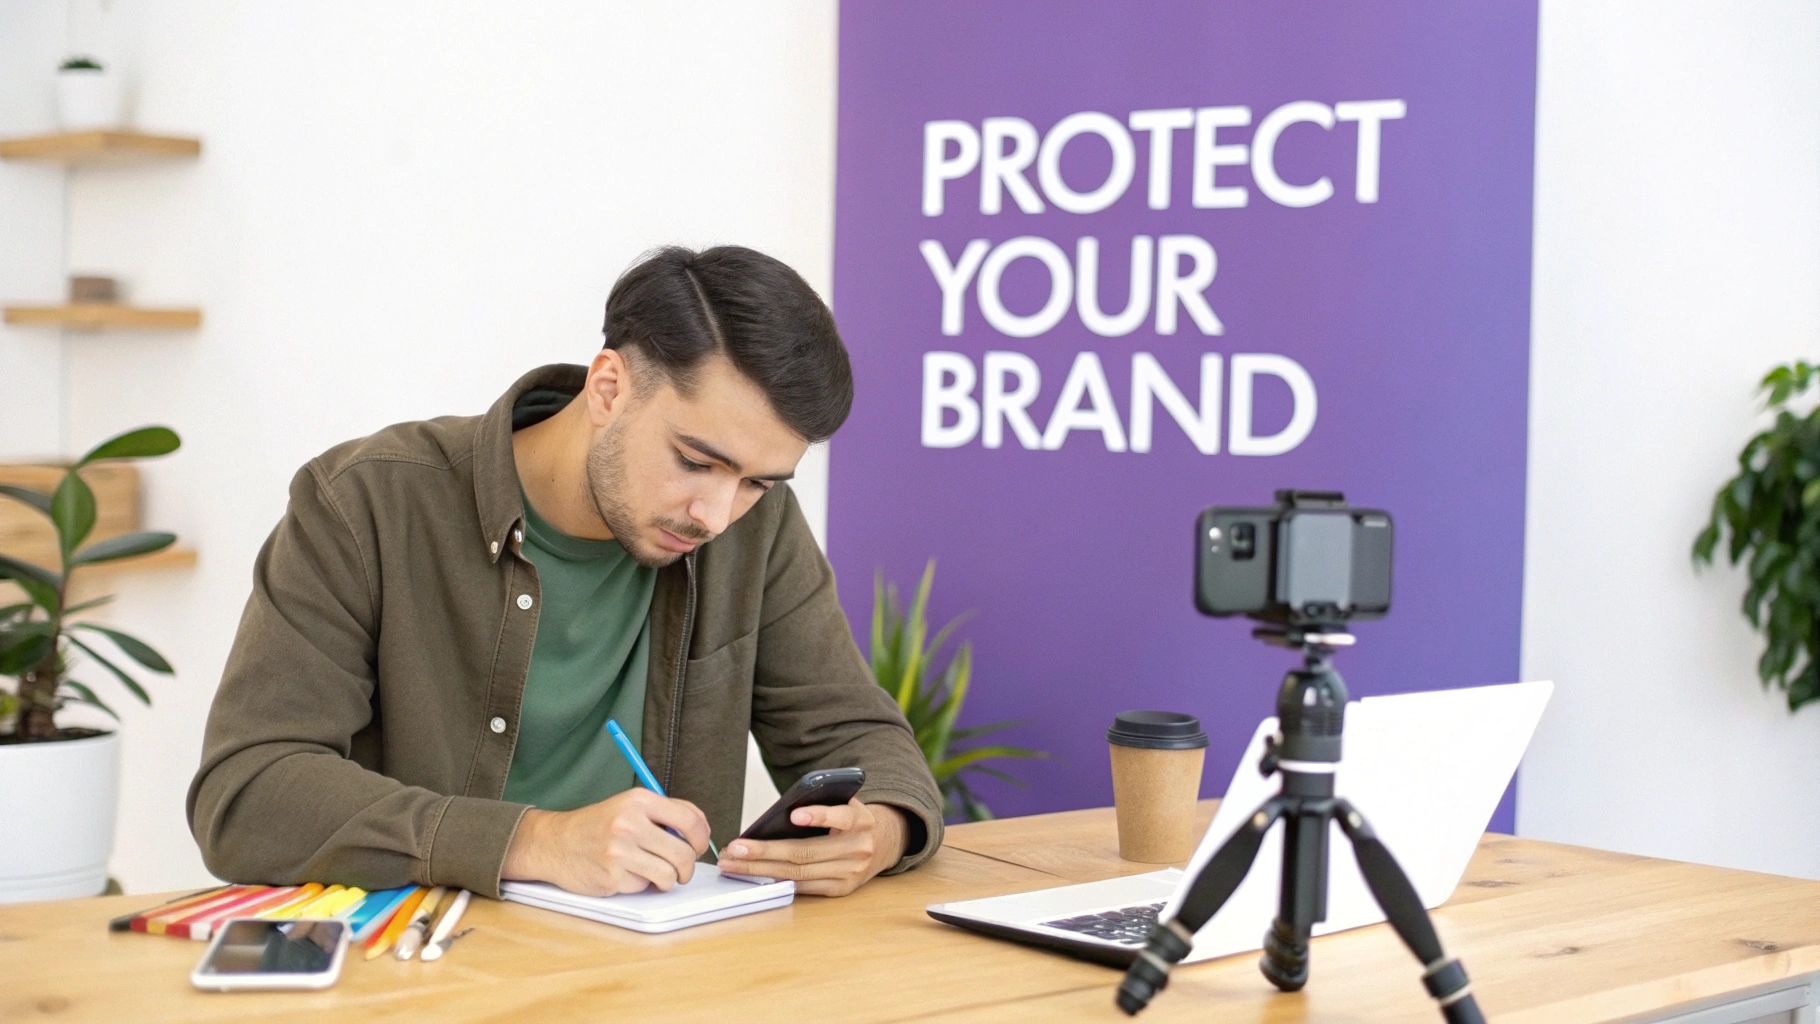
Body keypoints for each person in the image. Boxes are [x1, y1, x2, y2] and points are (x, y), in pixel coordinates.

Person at [188, 245, 943, 899]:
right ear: (609, 387)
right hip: (424, 975)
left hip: (656, 982)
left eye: (757, 483)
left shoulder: (755, 529)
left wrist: (883, 827)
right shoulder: (367, 502)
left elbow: (851, 731)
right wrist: (532, 842)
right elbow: (248, 790)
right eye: (695, 462)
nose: (716, 514)